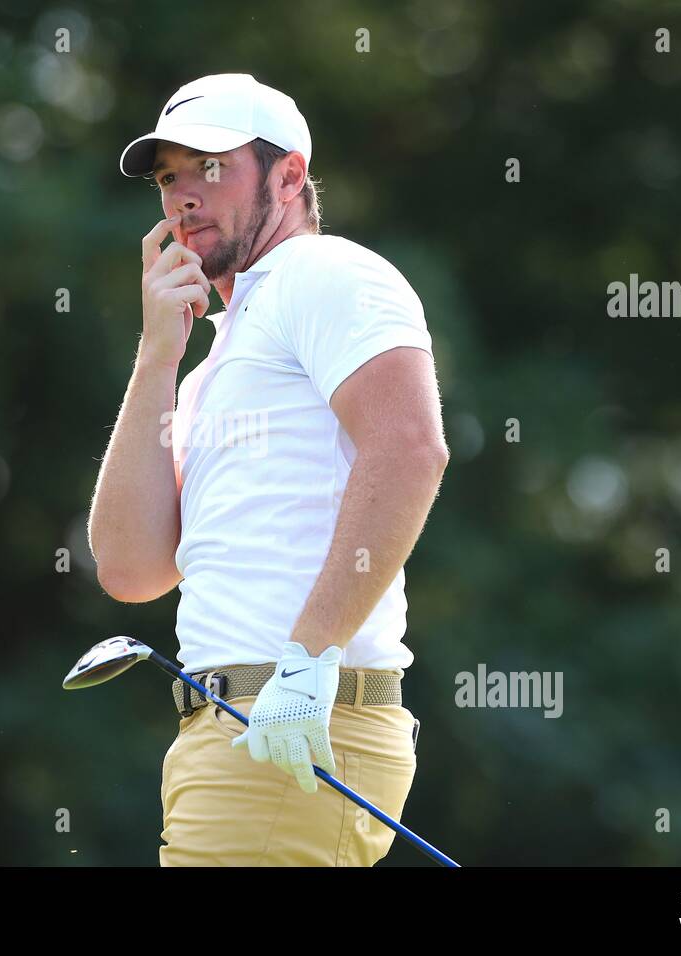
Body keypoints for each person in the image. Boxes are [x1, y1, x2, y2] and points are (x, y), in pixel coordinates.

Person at [88, 73, 451, 866]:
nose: (183, 194)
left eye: (210, 167)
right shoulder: (219, 351)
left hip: (286, 724)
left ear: (290, 177)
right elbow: (131, 566)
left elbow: (411, 447)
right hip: (243, 733)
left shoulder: (324, 274)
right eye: (167, 176)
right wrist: (158, 353)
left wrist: (311, 658)